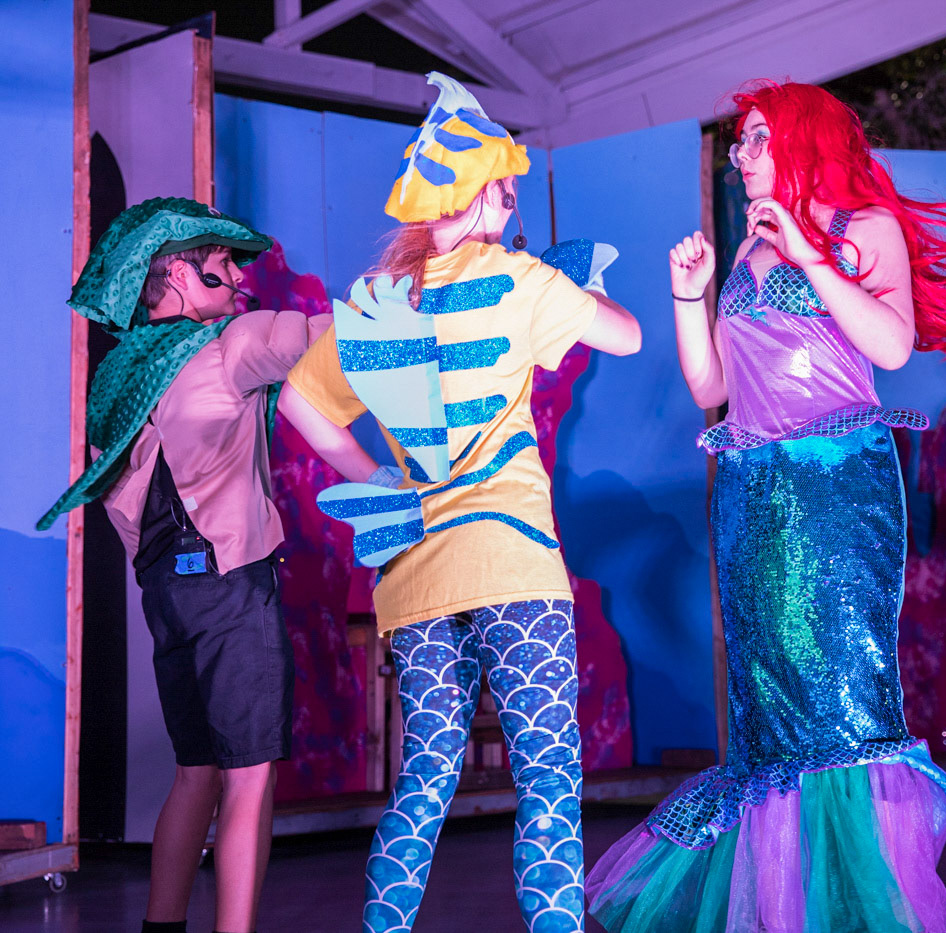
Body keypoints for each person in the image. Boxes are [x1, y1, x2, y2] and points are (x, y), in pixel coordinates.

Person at [586, 80, 946, 933]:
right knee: (767, 699)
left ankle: (852, 906)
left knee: (841, 690)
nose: (740, 155)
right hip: (751, 494)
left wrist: (811, 254)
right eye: (738, 142)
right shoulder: (748, 248)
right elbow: (711, 385)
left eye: (755, 138)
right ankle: (783, 906)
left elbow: (892, 345)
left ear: (799, 139)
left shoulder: (864, 228)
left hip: (836, 489)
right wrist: (689, 293)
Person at [276, 73, 641, 933]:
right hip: (513, 565)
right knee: (547, 775)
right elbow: (625, 335)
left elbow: (297, 401)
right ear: (478, 195)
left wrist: (381, 477)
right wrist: (574, 285)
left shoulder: (381, 299)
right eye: (506, 190)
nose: (512, 203)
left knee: (425, 777)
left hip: (416, 576)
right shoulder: (518, 279)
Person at [39, 197, 327, 933]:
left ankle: (161, 926)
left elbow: (122, 507)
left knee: (196, 773)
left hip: (166, 594)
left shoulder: (117, 379)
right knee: (249, 779)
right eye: (223, 261)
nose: (238, 275)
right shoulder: (226, 345)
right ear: (175, 271)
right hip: (231, 589)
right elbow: (311, 336)